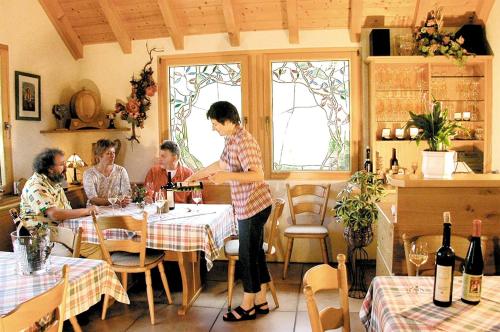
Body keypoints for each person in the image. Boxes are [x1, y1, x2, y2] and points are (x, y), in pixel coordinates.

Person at [186, 101, 272, 322]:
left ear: (227, 121)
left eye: (215, 124)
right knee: (255, 254)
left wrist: (227, 177)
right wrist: (197, 175)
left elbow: (257, 175)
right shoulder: (232, 139)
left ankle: (247, 306)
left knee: (247, 255)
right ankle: (261, 300)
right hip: (248, 205)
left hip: (254, 205)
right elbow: (221, 165)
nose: (213, 128)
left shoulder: (244, 142)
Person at [20, 148, 101, 259]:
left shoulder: (53, 182)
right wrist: (87, 211)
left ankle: (95, 275)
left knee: (100, 246)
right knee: (89, 251)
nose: (66, 168)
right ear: (49, 169)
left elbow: (66, 210)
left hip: (61, 232)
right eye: (62, 164)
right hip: (41, 238)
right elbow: (54, 214)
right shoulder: (36, 186)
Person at [83, 139, 131, 206]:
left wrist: (126, 200)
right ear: (99, 156)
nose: (112, 156)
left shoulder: (121, 171)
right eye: (108, 153)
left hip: (117, 209)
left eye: (113, 152)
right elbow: (93, 199)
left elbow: (126, 193)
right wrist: (115, 201)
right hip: (96, 210)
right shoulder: (89, 174)